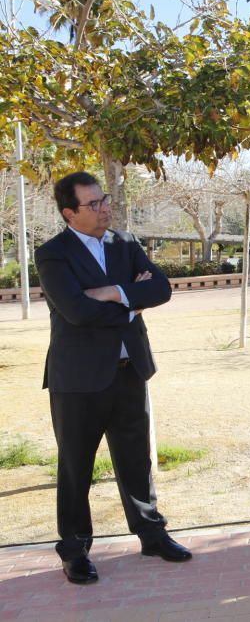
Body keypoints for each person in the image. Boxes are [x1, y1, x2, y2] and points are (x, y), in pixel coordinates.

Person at [36, 171, 190, 585]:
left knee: (135, 460)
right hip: (78, 380)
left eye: (104, 200)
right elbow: (76, 311)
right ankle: (74, 549)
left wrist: (112, 292)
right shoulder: (52, 254)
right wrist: (130, 301)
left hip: (129, 371)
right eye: (94, 204)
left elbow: (161, 289)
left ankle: (151, 534)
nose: (105, 208)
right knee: (75, 468)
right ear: (70, 213)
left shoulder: (126, 243)